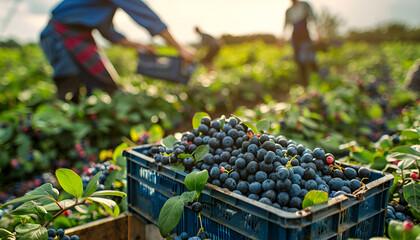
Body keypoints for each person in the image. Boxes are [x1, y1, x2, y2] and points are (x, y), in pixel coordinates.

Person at [40, 0, 194, 102]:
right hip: (58, 34)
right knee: (69, 82)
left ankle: (92, 124)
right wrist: (179, 48)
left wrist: (138, 46)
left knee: (105, 85)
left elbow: (110, 34)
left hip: (80, 37)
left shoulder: (102, 7)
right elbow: (146, 16)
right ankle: (63, 131)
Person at [283, 0, 321, 85]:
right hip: (295, 36)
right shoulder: (288, 11)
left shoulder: (304, 5)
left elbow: (313, 19)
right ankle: (304, 82)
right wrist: (282, 38)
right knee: (299, 60)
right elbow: (286, 25)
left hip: (305, 34)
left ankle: (317, 80)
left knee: (310, 57)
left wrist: (318, 32)